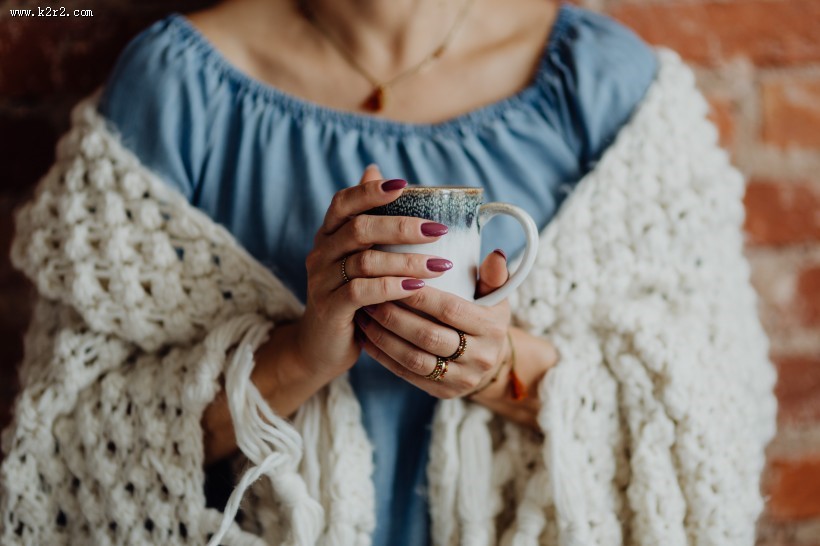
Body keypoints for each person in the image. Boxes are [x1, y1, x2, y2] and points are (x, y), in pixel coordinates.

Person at [2, 0, 777, 544]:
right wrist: (300, 358)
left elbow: (713, 403)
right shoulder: (178, 86)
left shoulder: (602, 86)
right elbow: (69, 435)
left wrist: (501, 367)